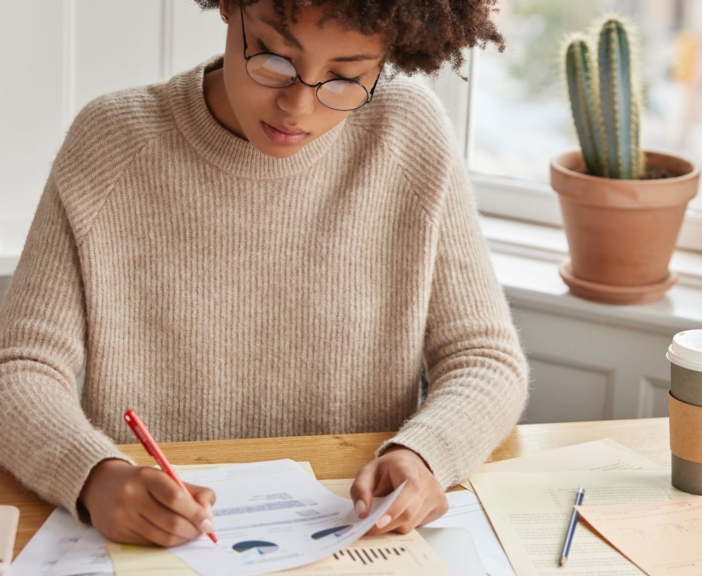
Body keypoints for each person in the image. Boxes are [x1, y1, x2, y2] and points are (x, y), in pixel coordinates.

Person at [0, 0, 528, 547]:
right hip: (155, 543)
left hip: (352, 538)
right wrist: (94, 477)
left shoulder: (406, 133)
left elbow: (484, 359)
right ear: (230, 9)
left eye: (345, 77)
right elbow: (20, 368)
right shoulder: (113, 141)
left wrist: (426, 453)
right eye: (274, 59)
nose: (297, 105)